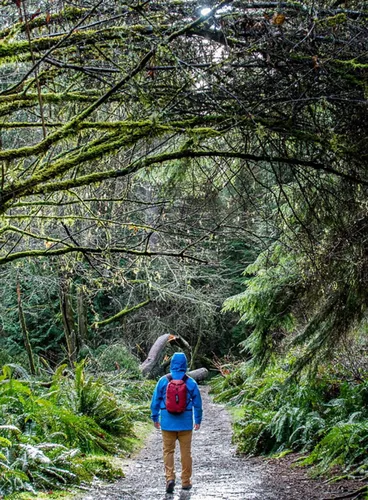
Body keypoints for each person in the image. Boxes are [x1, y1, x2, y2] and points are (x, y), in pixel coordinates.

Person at [150, 352, 203, 494]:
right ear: (185, 364)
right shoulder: (190, 382)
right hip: (185, 424)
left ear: (172, 364)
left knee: (168, 451)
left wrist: (155, 417)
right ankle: (186, 481)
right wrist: (197, 420)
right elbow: (198, 403)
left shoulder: (163, 380)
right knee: (186, 453)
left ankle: (169, 479)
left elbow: (155, 401)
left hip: (167, 423)